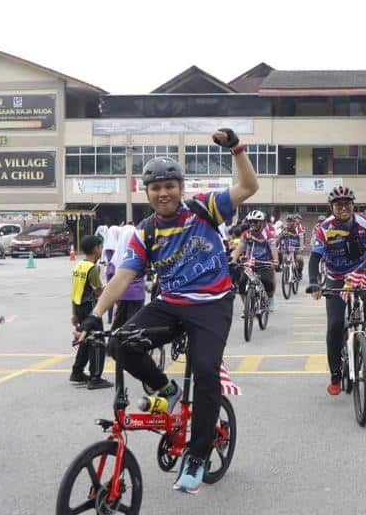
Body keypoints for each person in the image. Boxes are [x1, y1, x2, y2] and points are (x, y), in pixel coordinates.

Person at [77, 128, 258, 494]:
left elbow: (248, 187)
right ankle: (166, 388)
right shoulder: (144, 232)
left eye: (170, 186)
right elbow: (123, 274)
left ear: (181, 187)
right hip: (171, 304)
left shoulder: (203, 208)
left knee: (206, 372)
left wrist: (237, 149)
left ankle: (198, 452)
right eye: (156, 188)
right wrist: (94, 315)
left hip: (211, 304)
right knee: (120, 343)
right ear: (147, 193)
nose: (164, 193)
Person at [306, 185, 366, 394]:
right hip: (336, 278)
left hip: (360, 272)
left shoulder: (364, 222)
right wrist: (314, 281)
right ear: (331, 207)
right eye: (338, 204)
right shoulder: (323, 228)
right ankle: (335, 375)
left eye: (347, 204)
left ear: (353, 205)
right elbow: (314, 258)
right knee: (334, 326)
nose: (343, 208)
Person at [69, 235, 109, 388]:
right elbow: (99, 292)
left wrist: (73, 314)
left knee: (85, 341)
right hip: (90, 309)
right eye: (100, 247)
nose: (101, 250)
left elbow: (74, 291)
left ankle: (77, 372)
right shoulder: (92, 269)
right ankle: (95, 378)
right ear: (95, 250)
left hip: (79, 307)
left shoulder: (79, 266)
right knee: (97, 341)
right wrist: (110, 286)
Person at [232, 210, 279, 311]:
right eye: (251, 221)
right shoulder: (246, 234)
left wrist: (275, 261)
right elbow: (239, 248)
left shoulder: (268, 234)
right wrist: (233, 260)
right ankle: (248, 308)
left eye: (255, 221)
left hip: (264, 262)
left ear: (262, 222)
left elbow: (273, 248)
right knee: (241, 283)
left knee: (267, 282)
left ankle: (270, 299)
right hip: (250, 263)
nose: (253, 224)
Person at [277, 215, 304, 282]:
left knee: (299, 259)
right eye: (287, 221)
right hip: (287, 248)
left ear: (294, 222)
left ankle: (299, 272)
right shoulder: (284, 229)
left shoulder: (298, 229)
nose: (288, 223)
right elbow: (279, 239)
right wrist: (277, 246)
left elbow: (301, 238)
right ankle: (287, 271)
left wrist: (301, 247)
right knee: (285, 258)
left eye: (290, 221)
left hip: (296, 248)